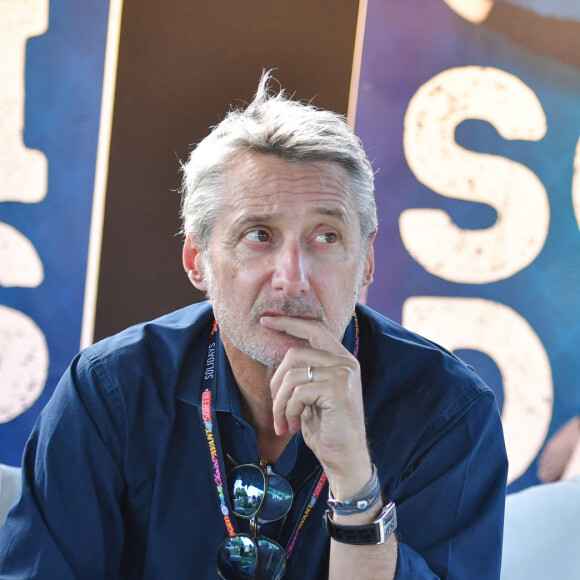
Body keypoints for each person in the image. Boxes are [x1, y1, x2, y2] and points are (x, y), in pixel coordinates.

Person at [0, 73, 507, 579]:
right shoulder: (111, 391)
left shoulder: (448, 411)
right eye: (259, 235)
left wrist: (355, 484)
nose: (292, 279)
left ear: (367, 261)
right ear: (197, 260)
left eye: (326, 237)